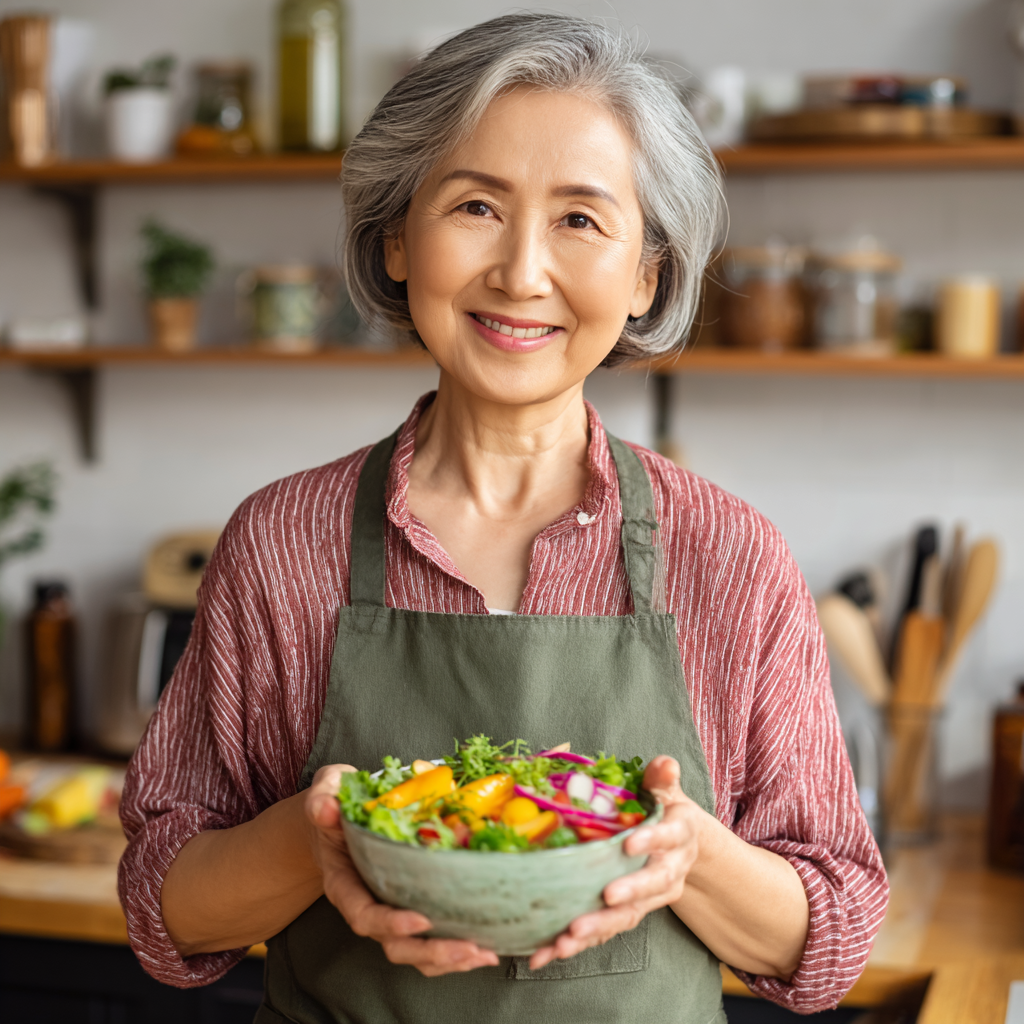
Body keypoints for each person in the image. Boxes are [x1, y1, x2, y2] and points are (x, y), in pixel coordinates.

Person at [119, 13, 887, 1023]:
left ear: (646, 273)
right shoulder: (279, 545)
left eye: (580, 219)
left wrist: (686, 853)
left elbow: (827, 942)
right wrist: (316, 840)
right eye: (476, 204)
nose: (522, 272)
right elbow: (164, 912)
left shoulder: (729, 554)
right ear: (396, 237)